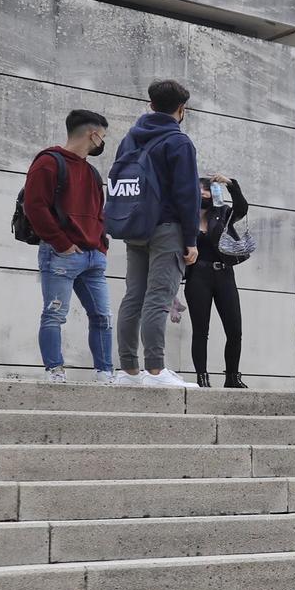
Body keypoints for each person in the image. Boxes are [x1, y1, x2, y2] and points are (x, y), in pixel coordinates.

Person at [109, 80, 201, 388]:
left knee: (133, 296)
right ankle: (156, 371)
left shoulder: (130, 139)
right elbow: (188, 195)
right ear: (181, 109)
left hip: (134, 226)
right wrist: (191, 240)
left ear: (150, 106)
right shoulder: (179, 142)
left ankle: (129, 371)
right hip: (167, 230)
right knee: (158, 296)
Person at [25, 109, 114, 385]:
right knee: (54, 315)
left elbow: (99, 212)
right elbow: (34, 207)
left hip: (92, 257)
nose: (102, 141)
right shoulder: (48, 163)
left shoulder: (90, 170)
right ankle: (55, 371)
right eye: (103, 136)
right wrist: (62, 243)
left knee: (102, 316)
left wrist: (101, 246)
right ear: (93, 133)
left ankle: (105, 373)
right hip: (60, 255)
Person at [184, 173, 249, 388]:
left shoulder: (223, 213)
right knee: (201, 330)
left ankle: (232, 377)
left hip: (224, 275)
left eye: (208, 189)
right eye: (200, 188)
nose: (204, 192)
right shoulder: (185, 216)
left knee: (235, 329)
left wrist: (230, 183)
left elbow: (242, 208)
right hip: (198, 276)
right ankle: (202, 378)